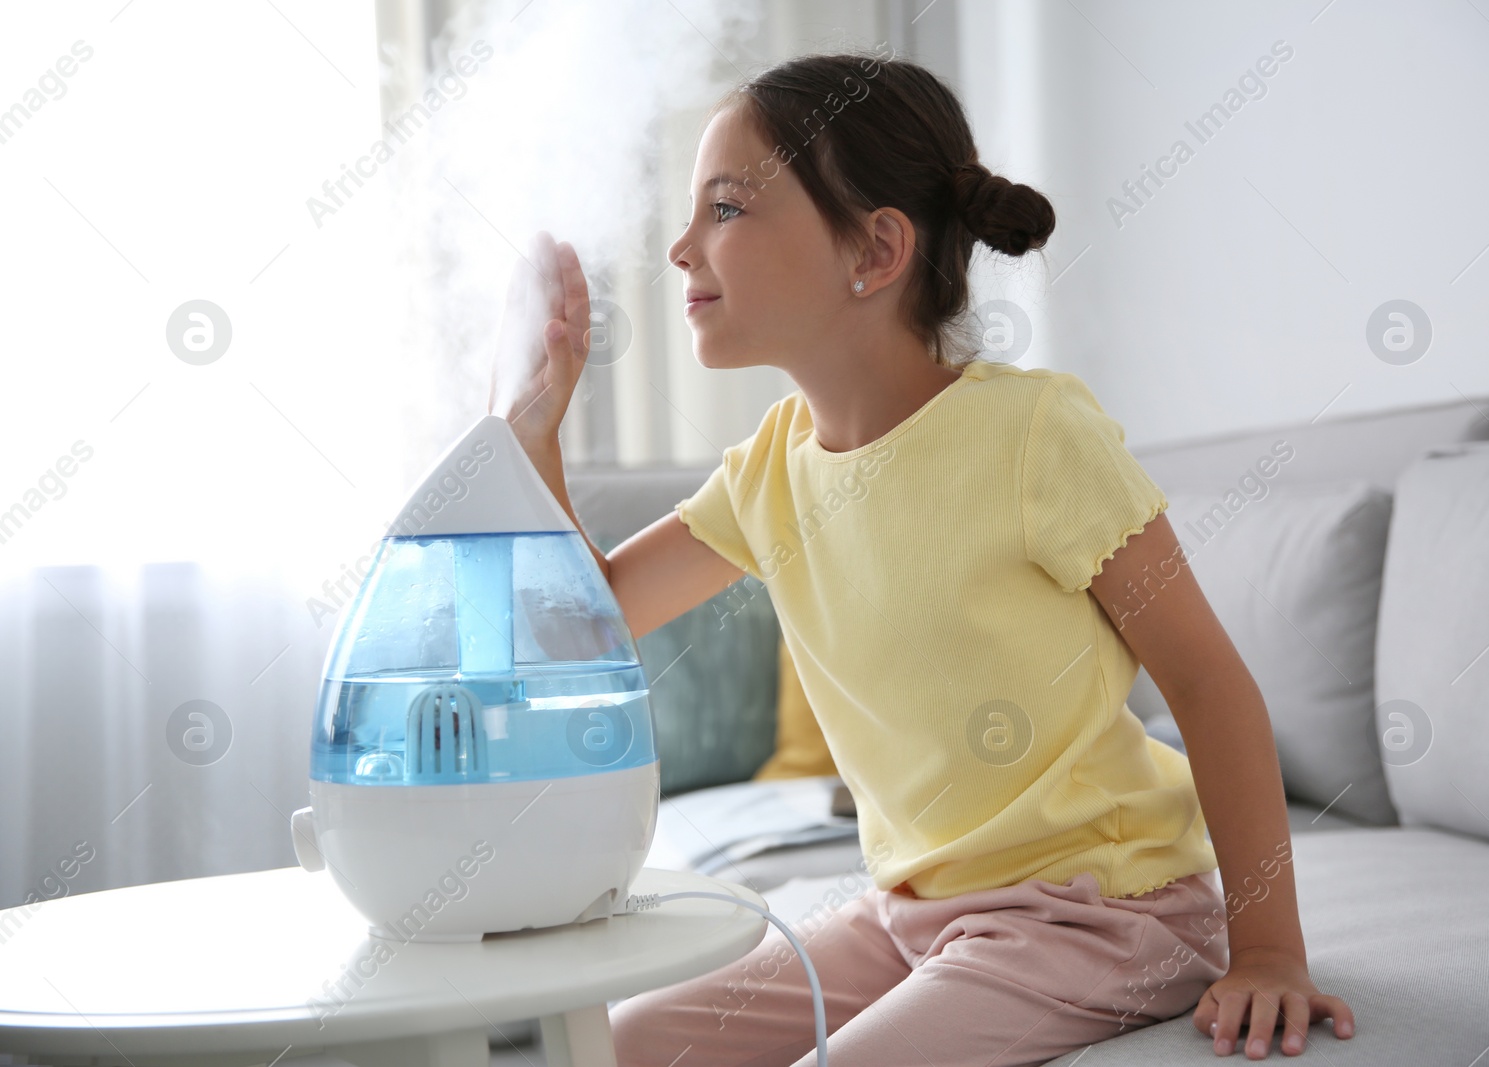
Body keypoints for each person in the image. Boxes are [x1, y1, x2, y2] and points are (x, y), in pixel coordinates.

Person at [487, 50, 1356, 1067]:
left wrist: (1265, 948)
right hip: (908, 912)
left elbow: (1209, 684)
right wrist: (534, 427)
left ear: (875, 250)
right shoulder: (770, 466)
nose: (681, 248)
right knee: (628, 1044)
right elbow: (580, 622)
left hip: (1100, 912)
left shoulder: (1035, 433)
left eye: (726, 208)